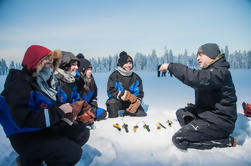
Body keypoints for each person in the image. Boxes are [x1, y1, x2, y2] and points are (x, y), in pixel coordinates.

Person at [0, 45, 89, 166]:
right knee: (72, 153)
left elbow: (51, 107)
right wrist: (60, 112)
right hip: (24, 135)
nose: (52, 67)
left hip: (42, 128)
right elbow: (24, 119)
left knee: (81, 133)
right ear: (36, 63)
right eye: (48, 63)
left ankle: (36, 158)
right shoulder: (18, 85)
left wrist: (67, 115)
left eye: (53, 64)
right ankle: (29, 159)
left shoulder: (43, 81)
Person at [159, 43, 237, 150]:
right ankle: (198, 129)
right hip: (209, 115)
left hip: (220, 122)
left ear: (211, 55)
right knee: (181, 113)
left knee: (179, 139)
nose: (197, 58)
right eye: (197, 55)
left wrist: (170, 66)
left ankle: (225, 141)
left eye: (201, 55)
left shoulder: (220, 72)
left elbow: (196, 78)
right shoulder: (210, 71)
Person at [106, 51, 147, 118]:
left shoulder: (136, 77)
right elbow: (110, 91)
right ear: (121, 64)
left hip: (129, 102)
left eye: (130, 63)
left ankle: (127, 112)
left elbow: (140, 93)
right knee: (112, 104)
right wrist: (123, 95)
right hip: (117, 101)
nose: (128, 65)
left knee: (141, 113)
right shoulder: (114, 76)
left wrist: (137, 101)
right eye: (126, 63)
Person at [76, 53, 107, 121]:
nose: (90, 71)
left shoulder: (91, 81)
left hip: (88, 107)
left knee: (103, 113)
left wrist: (93, 108)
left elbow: (94, 98)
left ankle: (88, 116)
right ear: (82, 70)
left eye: (91, 69)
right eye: (88, 69)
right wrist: (83, 110)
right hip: (78, 109)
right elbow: (75, 100)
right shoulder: (76, 81)